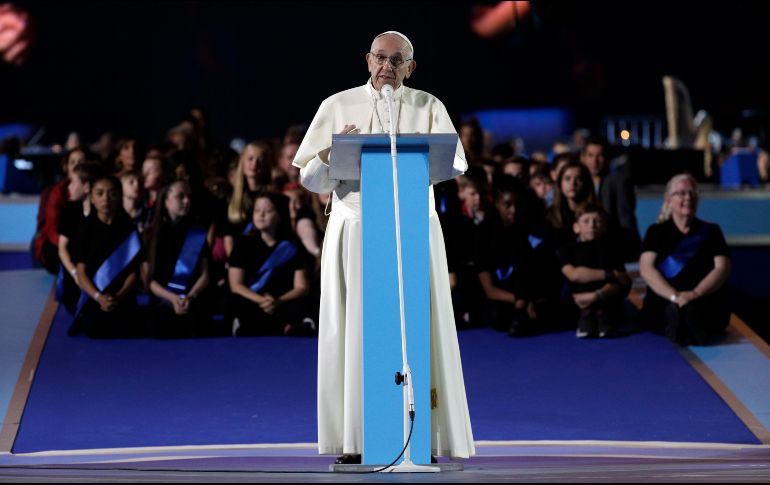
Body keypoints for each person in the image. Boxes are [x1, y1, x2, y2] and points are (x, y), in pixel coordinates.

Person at [292, 31, 475, 463]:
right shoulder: (336, 105)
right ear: (366, 60)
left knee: (417, 326)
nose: (386, 67)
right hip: (356, 226)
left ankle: (422, 435)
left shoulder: (428, 106)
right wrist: (333, 150)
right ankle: (357, 437)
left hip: (412, 225)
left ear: (411, 67)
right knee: (356, 327)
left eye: (397, 60)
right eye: (380, 58)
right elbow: (309, 177)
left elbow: (456, 162)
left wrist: (421, 153)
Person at [638, 173, 731, 346]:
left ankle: (687, 322)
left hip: (702, 297)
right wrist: (675, 297)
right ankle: (683, 322)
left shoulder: (712, 231)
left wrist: (695, 293)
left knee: (699, 309)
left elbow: (722, 268)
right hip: (667, 299)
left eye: (692, 193)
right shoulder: (656, 232)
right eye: (681, 193)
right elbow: (646, 269)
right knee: (667, 310)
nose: (688, 197)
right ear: (668, 200)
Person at [227, 192, 315, 337]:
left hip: (281, 300)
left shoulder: (291, 246)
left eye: (267, 211)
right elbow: (236, 285)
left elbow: (301, 287)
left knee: (304, 302)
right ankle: (281, 327)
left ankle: (271, 327)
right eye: (257, 210)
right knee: (236, 302)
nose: (261, 215)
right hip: (253, 299)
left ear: (279, 215)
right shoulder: (242, 244)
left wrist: (278, 301)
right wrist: (262, 300)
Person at [142, 180, 211, 338]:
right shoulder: (151, 235)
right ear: (166, 201)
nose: (186, 201)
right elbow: (149, 280)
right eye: (180, 196)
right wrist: (173, 298)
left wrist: (189, 296)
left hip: (192, 298)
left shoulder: (197, 233)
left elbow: (205, 274)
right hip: (164, 298)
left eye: (188, 197)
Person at [560, 203, 631, 338]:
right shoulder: (567, 249)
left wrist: (596, 295)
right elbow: (574, 275)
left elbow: (622, 280)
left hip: (604, 297)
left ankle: (602, 314)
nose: (592, 225)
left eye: (597, 221)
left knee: (620, 283)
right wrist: (609, 274)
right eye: (586, 221)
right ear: (576, 227)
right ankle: (586, 314)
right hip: (576, 300)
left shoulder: (611, 249)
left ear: (604, 226)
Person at [580, 136, 640, 261]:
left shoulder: (619, 182)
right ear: (583, 158)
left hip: (612, 248)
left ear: (607, 158)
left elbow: (626, 219)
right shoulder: (579, 182)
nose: (594, 161)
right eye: (590, 155)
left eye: (599, 155)